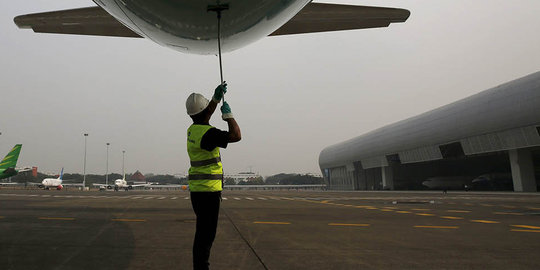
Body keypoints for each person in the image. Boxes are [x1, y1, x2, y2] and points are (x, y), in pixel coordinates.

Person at [185, 83, 241, 270]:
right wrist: (229, 116)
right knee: (206, 236)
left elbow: (204, 113)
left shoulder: (193, 130)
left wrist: (216, 99)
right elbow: (236, 135)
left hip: (198, 192)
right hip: (208, 193)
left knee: (202, 233)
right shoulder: (208, 134)